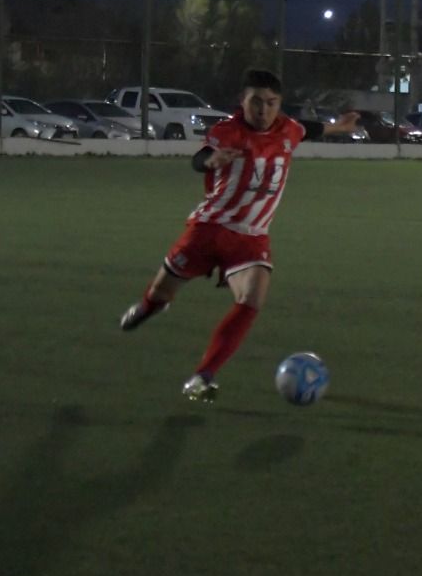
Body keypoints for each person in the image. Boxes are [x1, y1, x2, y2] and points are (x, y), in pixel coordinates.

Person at [118, 68, 307, 402]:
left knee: (251, 298)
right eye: (256, 102)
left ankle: (203, 376)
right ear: (242, 101)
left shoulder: (289, 130)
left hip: (252, 236)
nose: (263, 110)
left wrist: (340, 126)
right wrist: (211, 160)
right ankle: (149, 306)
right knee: (162, 291)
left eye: (271, 103)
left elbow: (311, 129)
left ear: (279, 104)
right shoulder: (227, 130)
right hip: (210, 228)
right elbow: (201, 157)